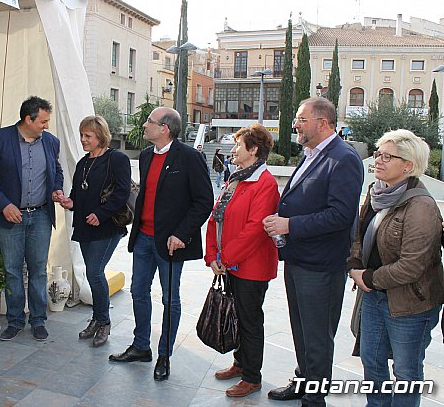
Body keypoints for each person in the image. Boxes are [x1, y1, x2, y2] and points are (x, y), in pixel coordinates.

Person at [262, 97, 364, 406]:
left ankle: (314, 399)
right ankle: (303, 381)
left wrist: (289, 225)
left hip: (321, 265)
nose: (295, 124)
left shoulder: (343, 158)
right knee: (301, 330)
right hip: (299, 259)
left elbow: (341, 215)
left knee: (318, 337)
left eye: (301, 119)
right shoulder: (311, 153)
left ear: (322, 122)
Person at [108, 107, 213, 382]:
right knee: (138, 291)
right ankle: (141, 346)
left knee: (170, 299)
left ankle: (164, 354)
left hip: (170, 243)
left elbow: (204, 202)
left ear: (165, 128)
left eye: (150, 122)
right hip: (143, 237)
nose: (144, 125)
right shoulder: (144, 156)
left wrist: (182, 234)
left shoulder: (189, 158)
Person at [347, 129, 444, 407]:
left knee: (405, 372)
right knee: (372, 364)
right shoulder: (378, 192)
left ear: (408, 166)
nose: (378, 160)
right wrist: (354, 264)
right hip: (374, 297)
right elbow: (359, 232)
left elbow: (413, 265)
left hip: (410, 304)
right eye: (378, 154)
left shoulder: (421, 206)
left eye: (388, 156)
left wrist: (369, 277)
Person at [0, 96, 64, 342]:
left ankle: (38, 321)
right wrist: (4, 205)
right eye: (43, 121)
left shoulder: (51, 142)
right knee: (12, 270)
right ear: (28, 119)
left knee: (38, 271)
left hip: (41, 216)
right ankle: (15, 321)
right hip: (10, 218)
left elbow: (57, 170)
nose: (46, 126)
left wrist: (56, 188)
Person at [205, 124, 280, 397]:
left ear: (254, 151)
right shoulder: (236, 177)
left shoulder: (265, 183)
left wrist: (225, 257)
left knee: (249, 321)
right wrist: (212, 255)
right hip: (230, 263)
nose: (234, 150)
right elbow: (216, 217)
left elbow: (255, 228)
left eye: (238, 145)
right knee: (237, 316)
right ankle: (240, 363)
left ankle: (252, 377)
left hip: (252, 267)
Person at [59, 115, 131, 347]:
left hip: (107, 227)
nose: (83, 140)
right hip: (85, 227)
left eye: (87, 136)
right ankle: (98, 320)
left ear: (100, 136)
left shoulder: (117, 159)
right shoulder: (83, 163)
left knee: (94, 272)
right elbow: (79, 195)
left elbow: (122, 193)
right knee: (93, 273)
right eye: (82, 135)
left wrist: (101, 214)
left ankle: (103, 322)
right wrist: (69, 202)